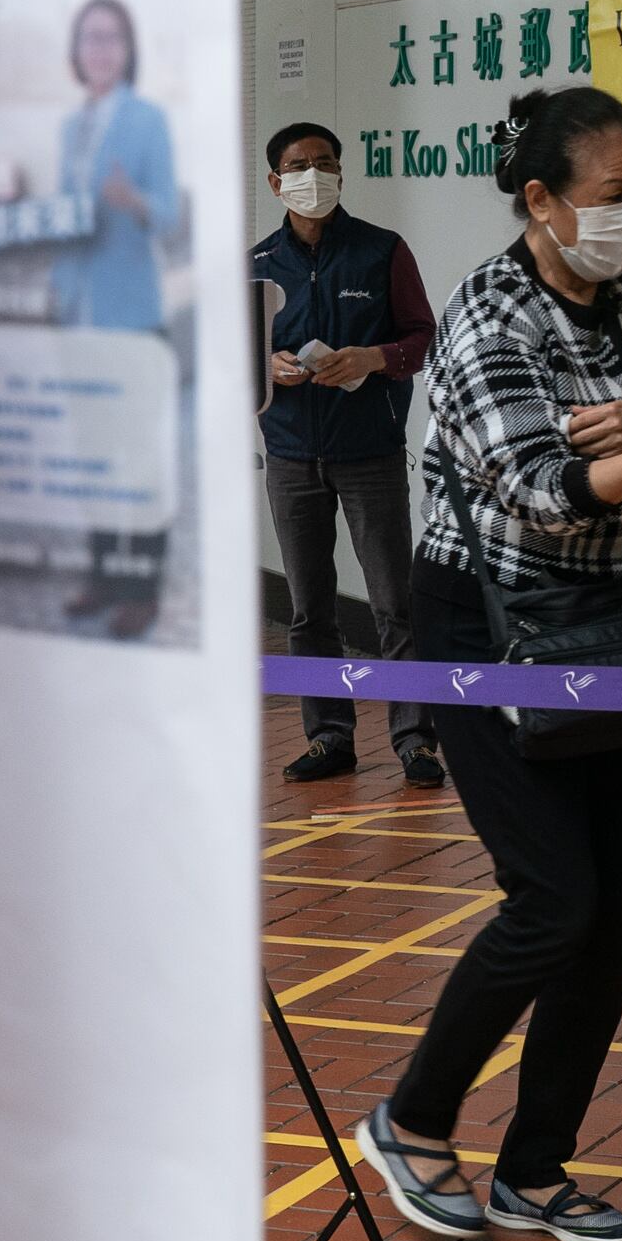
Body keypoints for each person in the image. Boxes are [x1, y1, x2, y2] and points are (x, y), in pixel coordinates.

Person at [361, 86, 622, 1241]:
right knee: (554, 897)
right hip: (487, 623)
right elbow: (539, 496)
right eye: (611, 195)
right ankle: (415, 1118)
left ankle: (535, 1171)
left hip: (618, 619)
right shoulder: (488, 316)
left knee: (619, 918)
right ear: (539, 200)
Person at [255, 119, 443, 788]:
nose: (315, 174)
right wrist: (265, 363)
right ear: (277, 182)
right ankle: (329, 734)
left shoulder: (382, 251)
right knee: (311, 611)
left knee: (394, 603)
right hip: (290, 458)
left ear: (341, 171)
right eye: (300, 165)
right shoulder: (255, 267)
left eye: (325, 161)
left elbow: (425, 338)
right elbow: (227, 355)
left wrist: (376, 357)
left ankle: (416, 739)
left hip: (370, 455)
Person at [57, 0, 181, 638]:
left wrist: (133, 200)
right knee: (93, 458)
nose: (99, 49)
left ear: (127, 48)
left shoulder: (147, 120)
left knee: (138, 461)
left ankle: (142, 589)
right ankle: (104, 574)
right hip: (77, 318)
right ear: (76, 52)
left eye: (110, 38)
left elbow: (170, 214)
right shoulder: (69, 126)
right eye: (88, 38)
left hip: (131, 317)